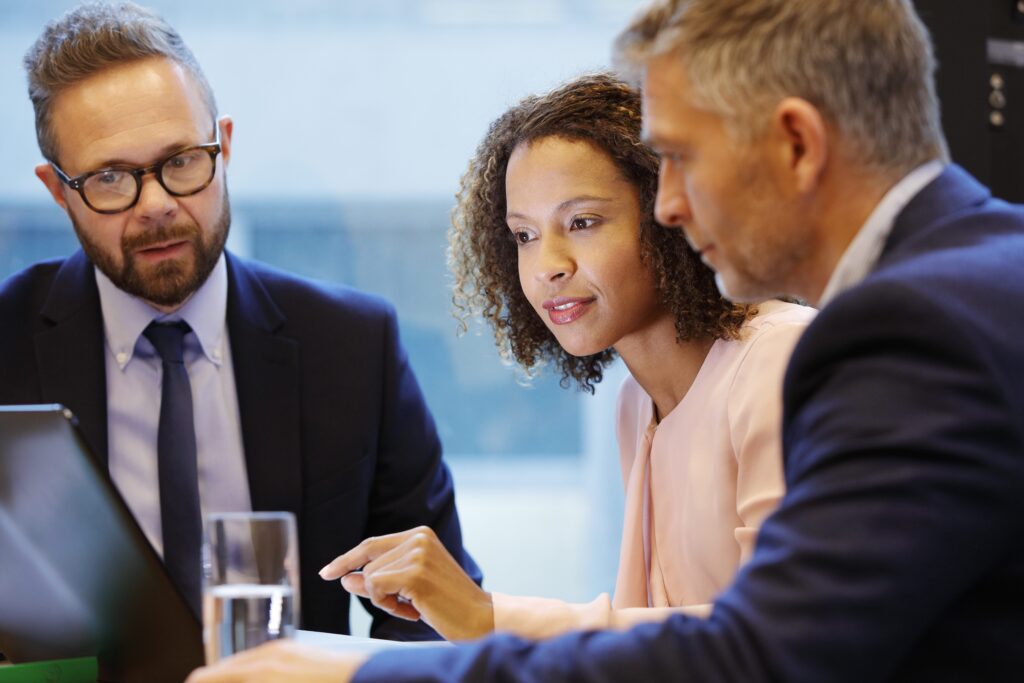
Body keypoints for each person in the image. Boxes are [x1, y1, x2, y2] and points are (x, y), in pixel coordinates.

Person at [186, 0, 1024, 680]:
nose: (670, 206)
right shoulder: (974, 269)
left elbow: (766, 652)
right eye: (520, 235)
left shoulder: (895, 329)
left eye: (684, 160)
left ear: (797, 143)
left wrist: (359, 673)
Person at [0, 1, 479, 640]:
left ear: (223, 147)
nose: (158, 205)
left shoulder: (352, 346)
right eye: (111, 178)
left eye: (181, 162)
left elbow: (437, 613)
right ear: (58, 190)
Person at [317, 73, 812, 641]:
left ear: (671, 214)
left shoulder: (781, 361)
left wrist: (488, 617)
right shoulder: (635, 404)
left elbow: (778, 635)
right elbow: (652, 644)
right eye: (524, 235)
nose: (546, 265)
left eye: (581, 222)